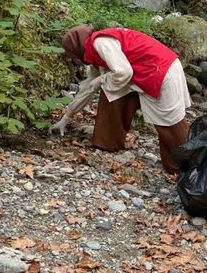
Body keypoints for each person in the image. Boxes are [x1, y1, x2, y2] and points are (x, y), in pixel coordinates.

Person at [49, 25, 192, 174]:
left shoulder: (101, 43)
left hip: (161, 71)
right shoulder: (94, 54)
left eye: (72, 56)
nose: (74, 61)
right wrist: (66, 118)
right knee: (110, 90)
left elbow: (123, 72)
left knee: (169, 124)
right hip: (145, 72)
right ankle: (107, 141)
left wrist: (102, 79)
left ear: (77, 48)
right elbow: (88, 89)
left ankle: (192, 164)